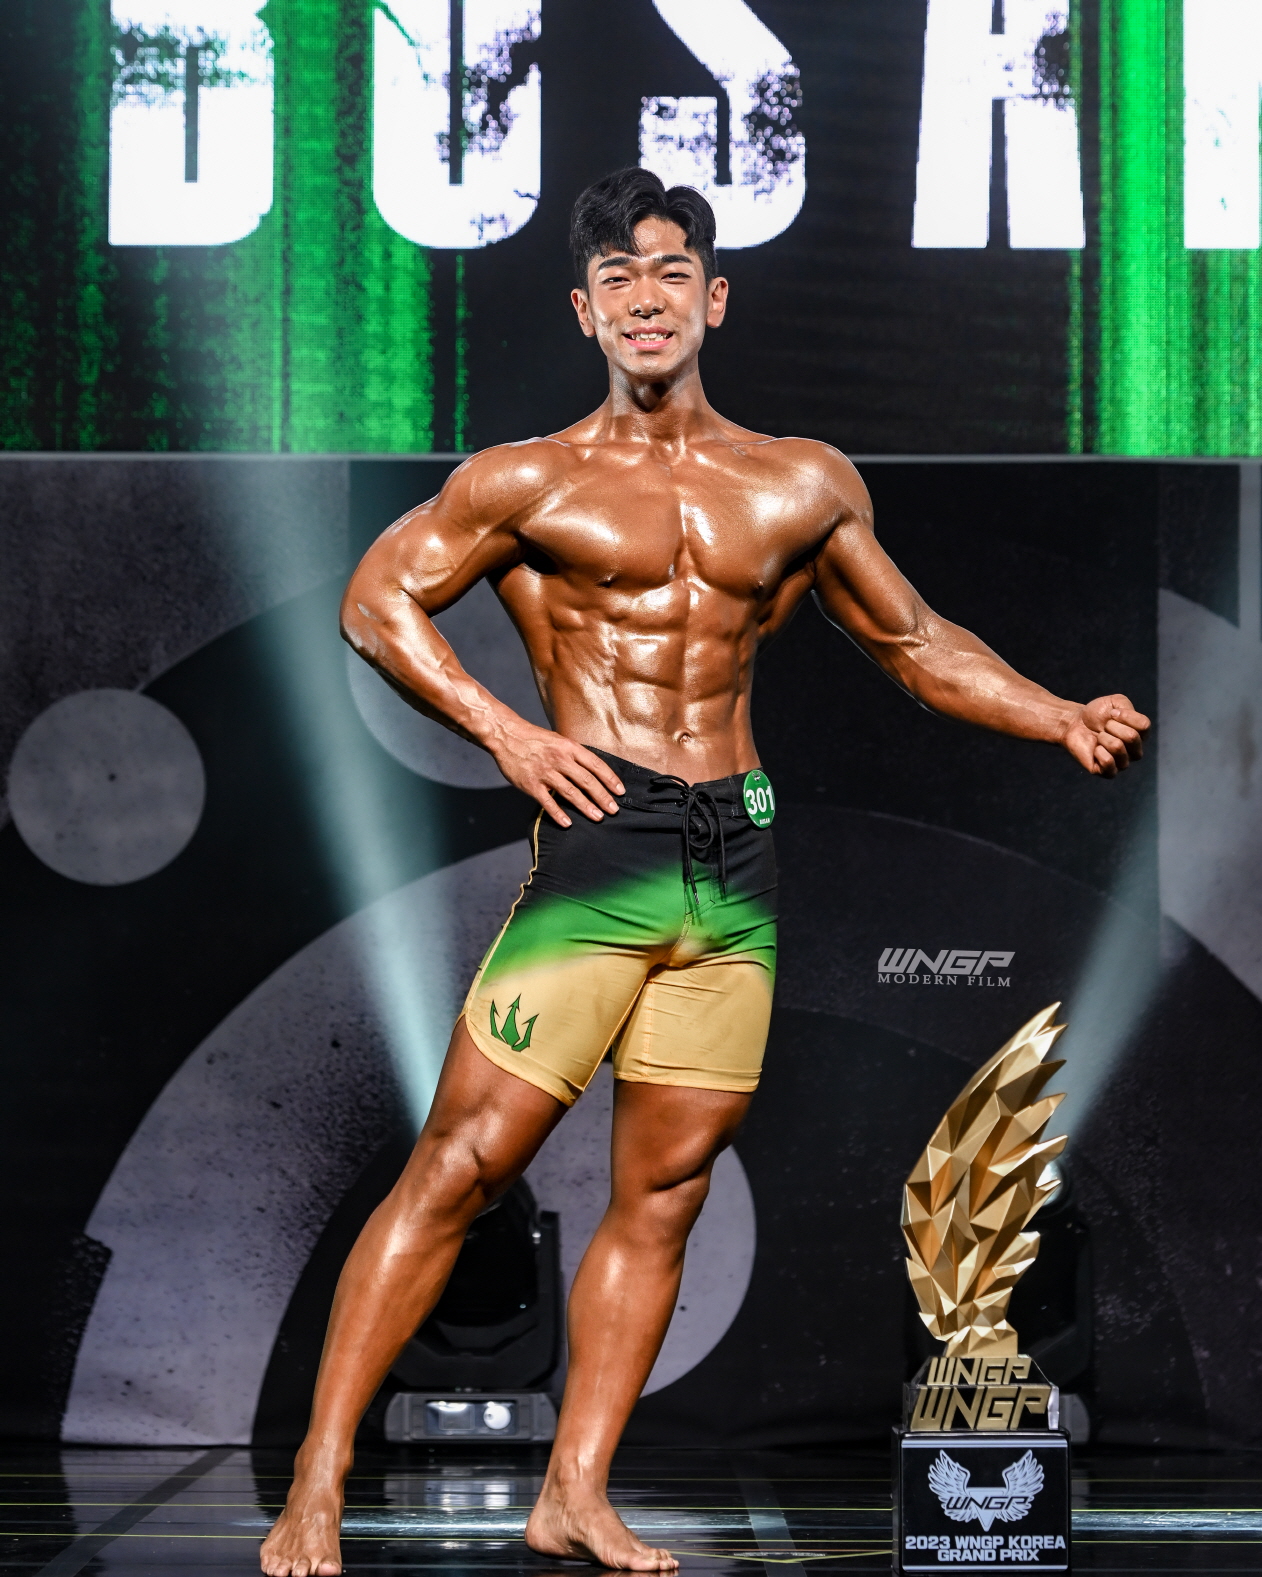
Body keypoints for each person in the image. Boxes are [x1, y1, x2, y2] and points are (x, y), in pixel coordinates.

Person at [259, 167, 1149, 1577]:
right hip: (602, 844)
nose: (645, 298)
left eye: (669, 271)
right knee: (465, 1164)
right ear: (584, 311)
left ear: (713, 297)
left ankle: (574, 1492)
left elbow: (914, 643)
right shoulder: (527, 479)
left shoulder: (800, 481)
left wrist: (1057, 715)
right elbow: (378, 599)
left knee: (667, 1188)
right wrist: (507, 731)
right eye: (616, 278)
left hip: (733, 856)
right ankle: (316, 1479)